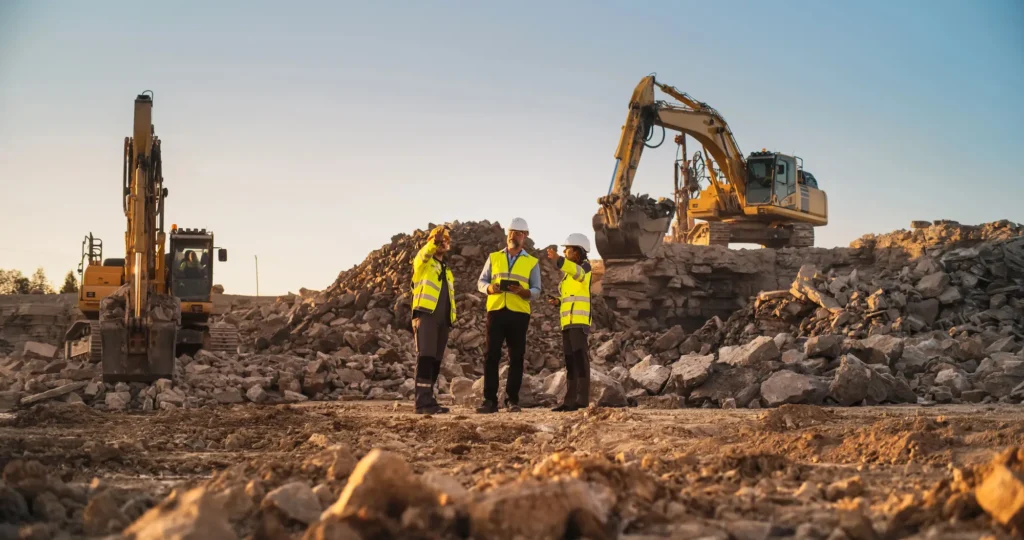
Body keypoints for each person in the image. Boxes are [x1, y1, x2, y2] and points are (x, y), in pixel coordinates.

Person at [475, 217, 541, 413]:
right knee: (491, 356)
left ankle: (512, 400)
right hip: (496, 311)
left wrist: (525, 292)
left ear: (525, 237)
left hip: (519, 314)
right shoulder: (494, 257)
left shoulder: (532, 262)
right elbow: (481, 282)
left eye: (519, 233)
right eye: (512, 232)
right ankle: (490, 401)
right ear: (507, 234)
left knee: (516, 357)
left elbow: (537, 289)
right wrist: (490, 288)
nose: (515, 236)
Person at [410, 224, 457, 414]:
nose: (442, 242)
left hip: (443, 319)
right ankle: (422, 402)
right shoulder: (423, 263)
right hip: (426, 314)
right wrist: (433, 242)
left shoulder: (447, 269)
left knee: (436, 359)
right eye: (439, 239)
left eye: (446, 240)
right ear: (430, 241)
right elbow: (423, 254)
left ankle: (430, 399)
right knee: (426, 356)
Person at [545, 233, 593, 412]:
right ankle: (569, 401)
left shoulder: (585, 268)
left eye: (567, 249)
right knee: (570, 361)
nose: (564, 252)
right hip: (567, 323)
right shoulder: (568, 275)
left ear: (577, 252)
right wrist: (558, 302)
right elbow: (570, 297)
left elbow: (578, 273)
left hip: (579, 323)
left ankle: (582, 400)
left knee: (580, 360)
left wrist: (559, 260)